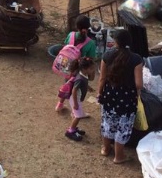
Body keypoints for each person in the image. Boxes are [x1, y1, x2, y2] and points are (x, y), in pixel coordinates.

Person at [98, 29, 144, 164]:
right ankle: (119, 156)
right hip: (127, 99)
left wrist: (100, 93)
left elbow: (102, 78)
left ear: (116, 42)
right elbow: (138, 84)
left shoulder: (107, 55)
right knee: (122, 127)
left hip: (109, 96)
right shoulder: (136, 59)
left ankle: (105, 149)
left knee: (108, 123)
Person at [59, 57, 94, 141]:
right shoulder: (80, 78)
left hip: (76, 99)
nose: (92, 70)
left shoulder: (83, 75)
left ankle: (74, 128)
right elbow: (74, 90)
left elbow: (83, 84)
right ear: (85, 69)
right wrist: (75, 103)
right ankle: (70, 131)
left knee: (76, 115)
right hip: (75, 99)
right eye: (91, 69)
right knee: (78, 116)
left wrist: (88, 87)